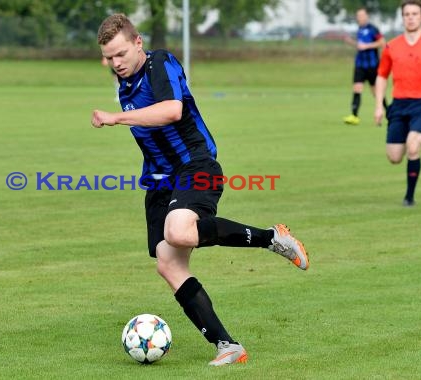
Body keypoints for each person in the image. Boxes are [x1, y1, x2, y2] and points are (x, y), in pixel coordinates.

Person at [91, 14, 310, 366]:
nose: (115, 63)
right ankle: (228, 345)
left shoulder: (158, 62)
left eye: (120, 54)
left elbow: (172, 110)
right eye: (108, 57)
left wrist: (116, 118)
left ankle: (272, 238)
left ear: (138, 43)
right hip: (159, 181)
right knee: (168, 262)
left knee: (179, 232)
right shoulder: (124, 82)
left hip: (196, 165)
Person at [375, 0, 421, 207]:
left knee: (413, 146)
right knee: (395, 156)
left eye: (415, 13)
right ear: (403, 17)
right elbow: (381, 76)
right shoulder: (392, 46)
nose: (411, 17)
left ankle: (409, 197)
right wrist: (379, 105)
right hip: (399, 105)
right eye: (407, 14)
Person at [343, 7, 386, 125]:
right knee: (357, 88)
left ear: (366, 16)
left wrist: (367, 46)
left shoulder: (373, 29)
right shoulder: (359, 30)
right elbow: (359, 46)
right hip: (360, 65)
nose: (360, 18)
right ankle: (354, 116)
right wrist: (351, 42)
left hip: (372, 65)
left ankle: (389, 113)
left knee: (376, 92)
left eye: (362, 15)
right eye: (358, 16)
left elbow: (382, 42)